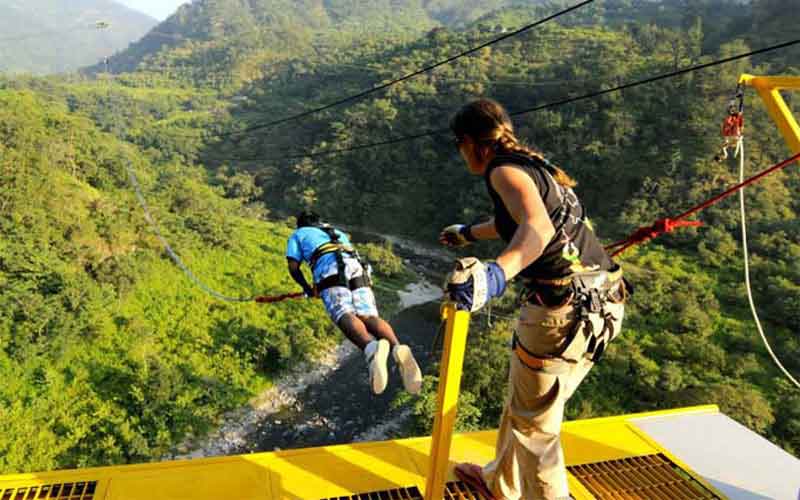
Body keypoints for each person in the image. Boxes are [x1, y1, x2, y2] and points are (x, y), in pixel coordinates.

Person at [440, 99, 629, 500]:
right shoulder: (535, 166)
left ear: (470, 142)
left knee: (536, 430)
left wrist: (495, 275)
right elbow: (519, 219)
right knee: (528, 408)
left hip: (561, 312)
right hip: (605, 300)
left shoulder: (503, 170)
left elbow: (537, 228)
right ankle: (500, 484)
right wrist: (469, 233)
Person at [286, 211, 422, 396]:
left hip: (330, 268)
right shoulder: (336, 232)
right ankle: (397, 346)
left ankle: (370, 348)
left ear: (301, 225)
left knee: (344, 314)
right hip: (358, 269)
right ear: (320, 222)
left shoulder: (298, 234)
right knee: (368, 316)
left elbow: (293, 268)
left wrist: (308, 288)